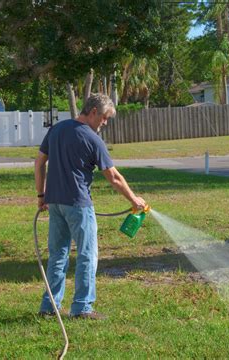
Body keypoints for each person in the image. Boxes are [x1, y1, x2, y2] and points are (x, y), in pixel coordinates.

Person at [34, 93, 146, 320]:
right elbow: (113, 177)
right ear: (94, 111)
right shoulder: (93, 139)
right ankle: (82, 307)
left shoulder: (57, 129)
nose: (105, 123)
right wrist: (135, 200)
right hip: (78, 205)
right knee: (87, 255)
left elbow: (39, 162)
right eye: (105, 118)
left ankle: (49, 307)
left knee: (58, 255)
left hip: (54, 202)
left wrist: (41, 194)